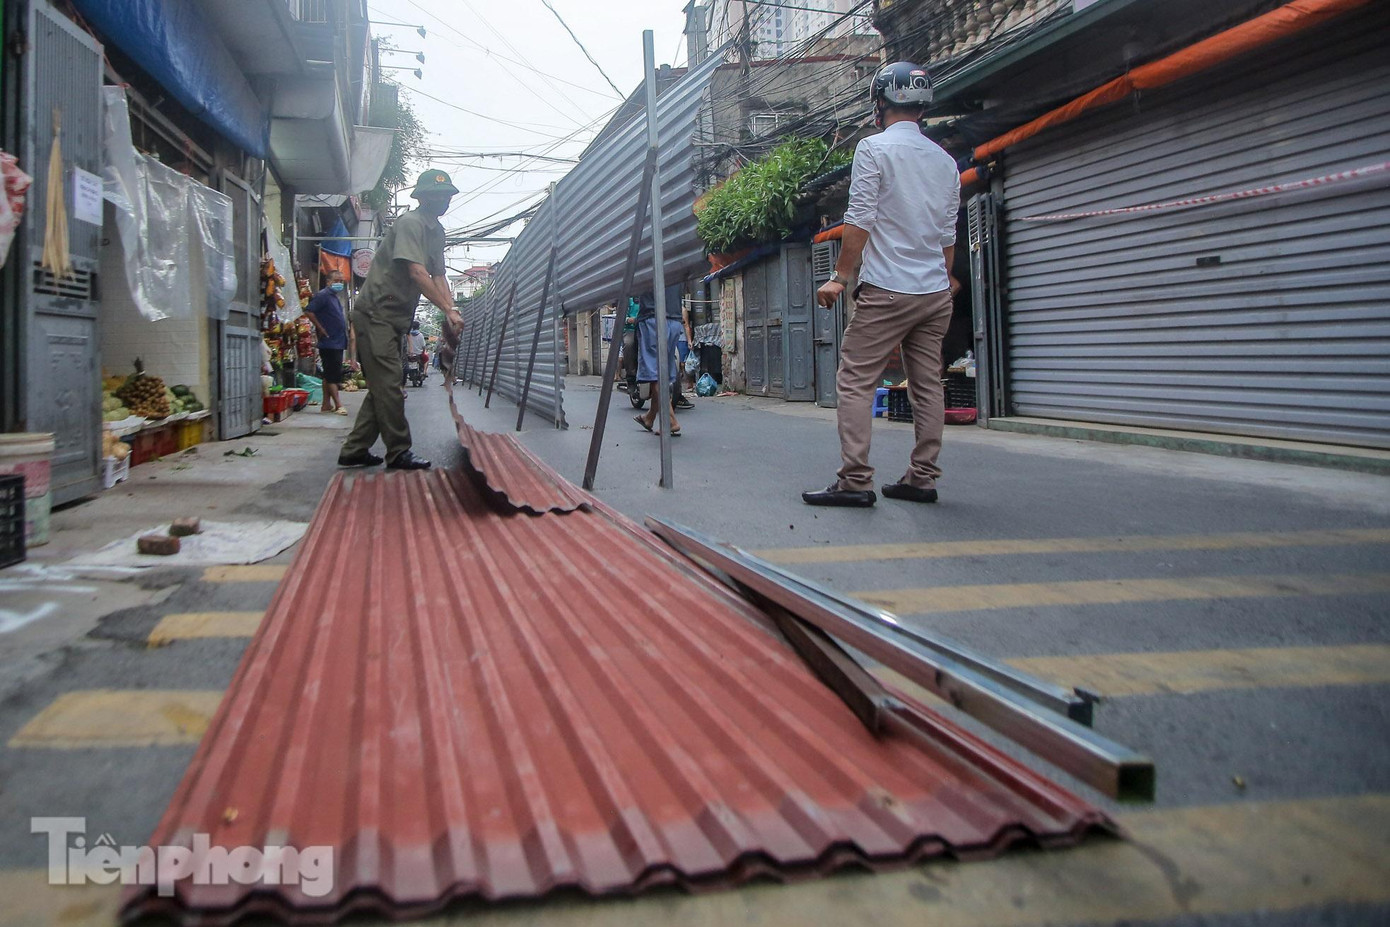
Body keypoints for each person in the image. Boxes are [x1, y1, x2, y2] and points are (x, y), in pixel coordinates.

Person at [803, 61, 961, 508]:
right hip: (934, 293)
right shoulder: (945, 162)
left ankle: (855, 480)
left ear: (880, 104)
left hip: (888, 289)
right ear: (922, 107)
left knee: (855, 379)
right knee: (927, 385)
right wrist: (944, 280)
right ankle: (922, 478)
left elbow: (859, 220)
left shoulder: (873, 149)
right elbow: (947, 235)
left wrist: (839, 277)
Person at [338, 169, 463, 469]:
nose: (444, 200)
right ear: (423, 197)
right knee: (390, 386)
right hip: (376, 313)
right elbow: (417, 272)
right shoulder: (410, 223)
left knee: (385, 384)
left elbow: (438, 275)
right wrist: (446, 310)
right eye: (437, 195)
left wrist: (452, 308)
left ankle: (355, 449)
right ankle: (398, 451)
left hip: (396, 319)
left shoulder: (437, 232)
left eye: (447, 195)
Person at [632, 285, 683, 437]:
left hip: (653, 317)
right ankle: (650, 417)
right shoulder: (676, 268)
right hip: (674, 319)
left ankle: (671, 421)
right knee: (662, 372)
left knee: (654, 373)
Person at [303, 269, 350, 415]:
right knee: (332, 376)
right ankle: (339, 404)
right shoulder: (323, 295)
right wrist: (320, 328)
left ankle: (326, 404)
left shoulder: (334, 297)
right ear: (328, 282)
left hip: (337, 341)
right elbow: (309, 311)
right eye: (336, 281)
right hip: (330, 342)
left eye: (341, 281)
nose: (339, 283)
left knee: (328, 374)